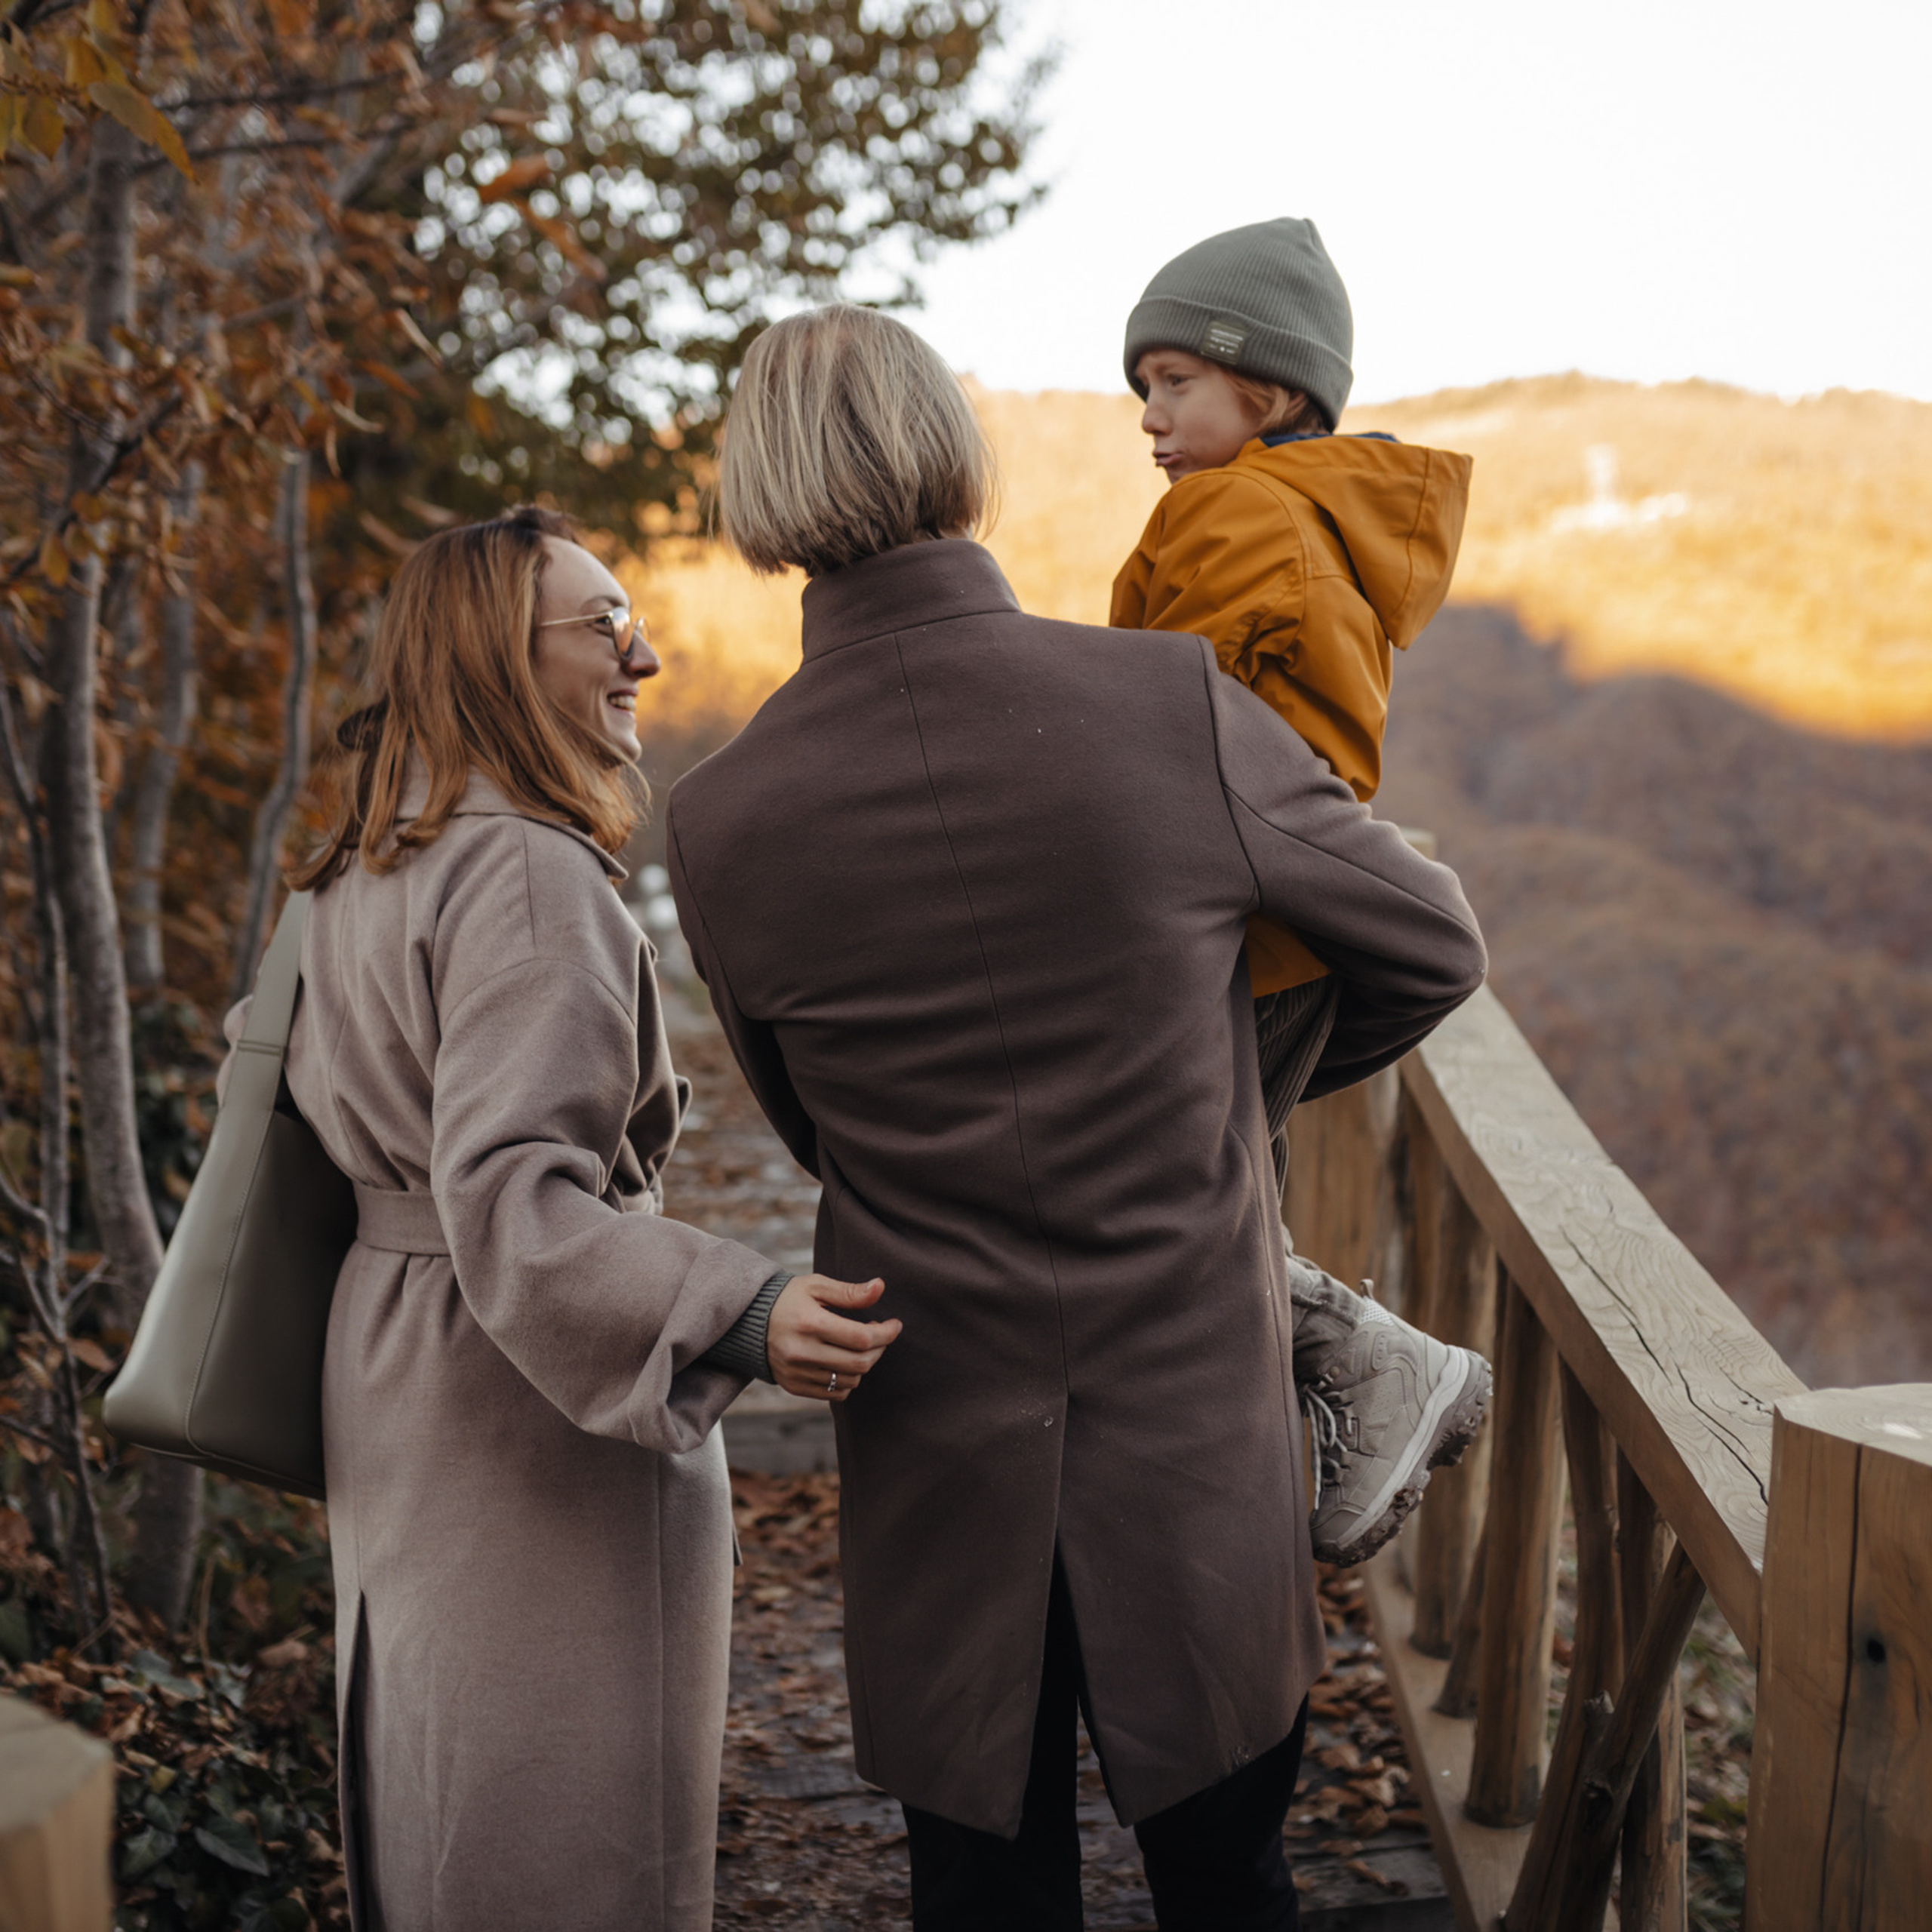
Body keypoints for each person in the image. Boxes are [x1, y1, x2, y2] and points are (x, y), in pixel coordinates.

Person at [667, 306, 1487, 1930]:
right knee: (1227, 1876)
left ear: (754, 492)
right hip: (1188, 1415)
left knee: (979, 1884)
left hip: (933, 1425)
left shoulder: (719, 819)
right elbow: (1430, 945)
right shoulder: (1162, 702)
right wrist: (1224, 1105)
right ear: (955, 455)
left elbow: (815, 1127)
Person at [233, 508, 900, 1931]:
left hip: (401, 1363)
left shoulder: (362, 861)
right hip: (519, 1410)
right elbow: (517, 1204)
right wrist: (739, 1305)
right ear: (493, 652)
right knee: (570, 1831)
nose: (641, 654)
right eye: (601, 625)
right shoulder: (525, 871)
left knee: (445, 1795)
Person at [1112, 217, 1490, 1566]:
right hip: (1287, 929)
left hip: (1229, 929)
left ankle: (1374, 1365)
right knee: (1207, 1198)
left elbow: (1170, 721)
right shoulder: (1321, 522)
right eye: (1141, 389)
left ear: (1268, 393)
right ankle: (1279, 1460)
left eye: (1175, 384)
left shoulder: (1229, 510)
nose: (1149, 417)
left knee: (1163, 1205)